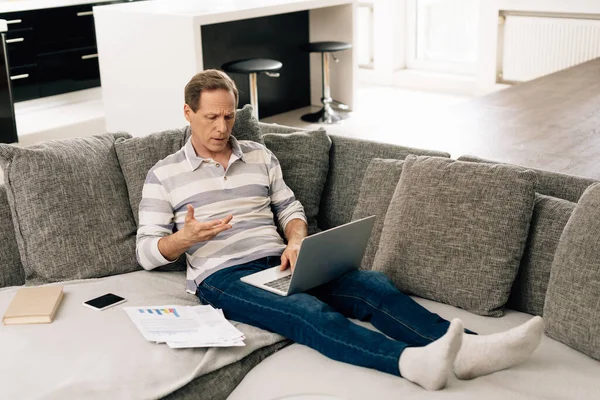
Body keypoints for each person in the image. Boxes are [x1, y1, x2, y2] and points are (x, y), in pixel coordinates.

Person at [136, 69, 544, 391]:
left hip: (280, 261)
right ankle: (407, 362)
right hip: (223, 275)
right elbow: (147, 252)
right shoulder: (164, 173)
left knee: (372, 285)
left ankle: (470, 348)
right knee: (307, 312)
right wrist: (183, 240)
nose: (223, 127)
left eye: (228, 116)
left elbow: (289, 207)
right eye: (211, 117)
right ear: (188, 113)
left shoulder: (259, 154)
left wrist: (296, 239)